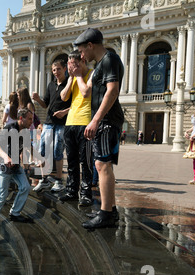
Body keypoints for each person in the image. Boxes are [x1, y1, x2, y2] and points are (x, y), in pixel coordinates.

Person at [74, 28, 125, 229]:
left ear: (90, 45)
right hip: (104, 120)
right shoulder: (101, 64)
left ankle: (105, 214)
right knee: (103, 165)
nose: (81, 55)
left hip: (107, 121)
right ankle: (109, 210)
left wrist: (95, 120)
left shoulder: (110, 59)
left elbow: (112, 90)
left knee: (102, 165)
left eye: (82, 50)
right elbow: (90, 92)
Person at [0, 108, 34, 238]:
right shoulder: (9, 128)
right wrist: (6, 157)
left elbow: (24, 148)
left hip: (16, 164)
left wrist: (28, 162)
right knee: (2, 195)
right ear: (21, 118)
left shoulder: (25, 131)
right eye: (29, 119)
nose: (31, 121)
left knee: (25, 187)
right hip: (4, 165)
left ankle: (15, 213)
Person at [55, 50, 94, 206]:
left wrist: (77, 76)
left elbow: (86, 92)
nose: (71, 68)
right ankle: (71, 190)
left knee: (85, 161)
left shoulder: (91, 73)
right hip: (70, 122)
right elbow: (63, 96)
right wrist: (71, 77)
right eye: (70, 65)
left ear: (82, 62)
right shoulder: (72, 77)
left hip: (85, 121)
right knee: (71, 160)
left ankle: (85, 193)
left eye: (75, 65)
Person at [32, 59, 72, 193]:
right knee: (42, 151)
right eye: (54, 70)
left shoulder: (69, 84)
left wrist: (64, 112)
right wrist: (38, 100)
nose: (55, 72)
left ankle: (59, 181)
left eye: (58, 69)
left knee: (57, 150)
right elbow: (45, 104)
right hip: (49, 123)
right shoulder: (51, 85)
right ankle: (44, 179)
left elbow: (76, 104)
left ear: (65, 69)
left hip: (62, 123)